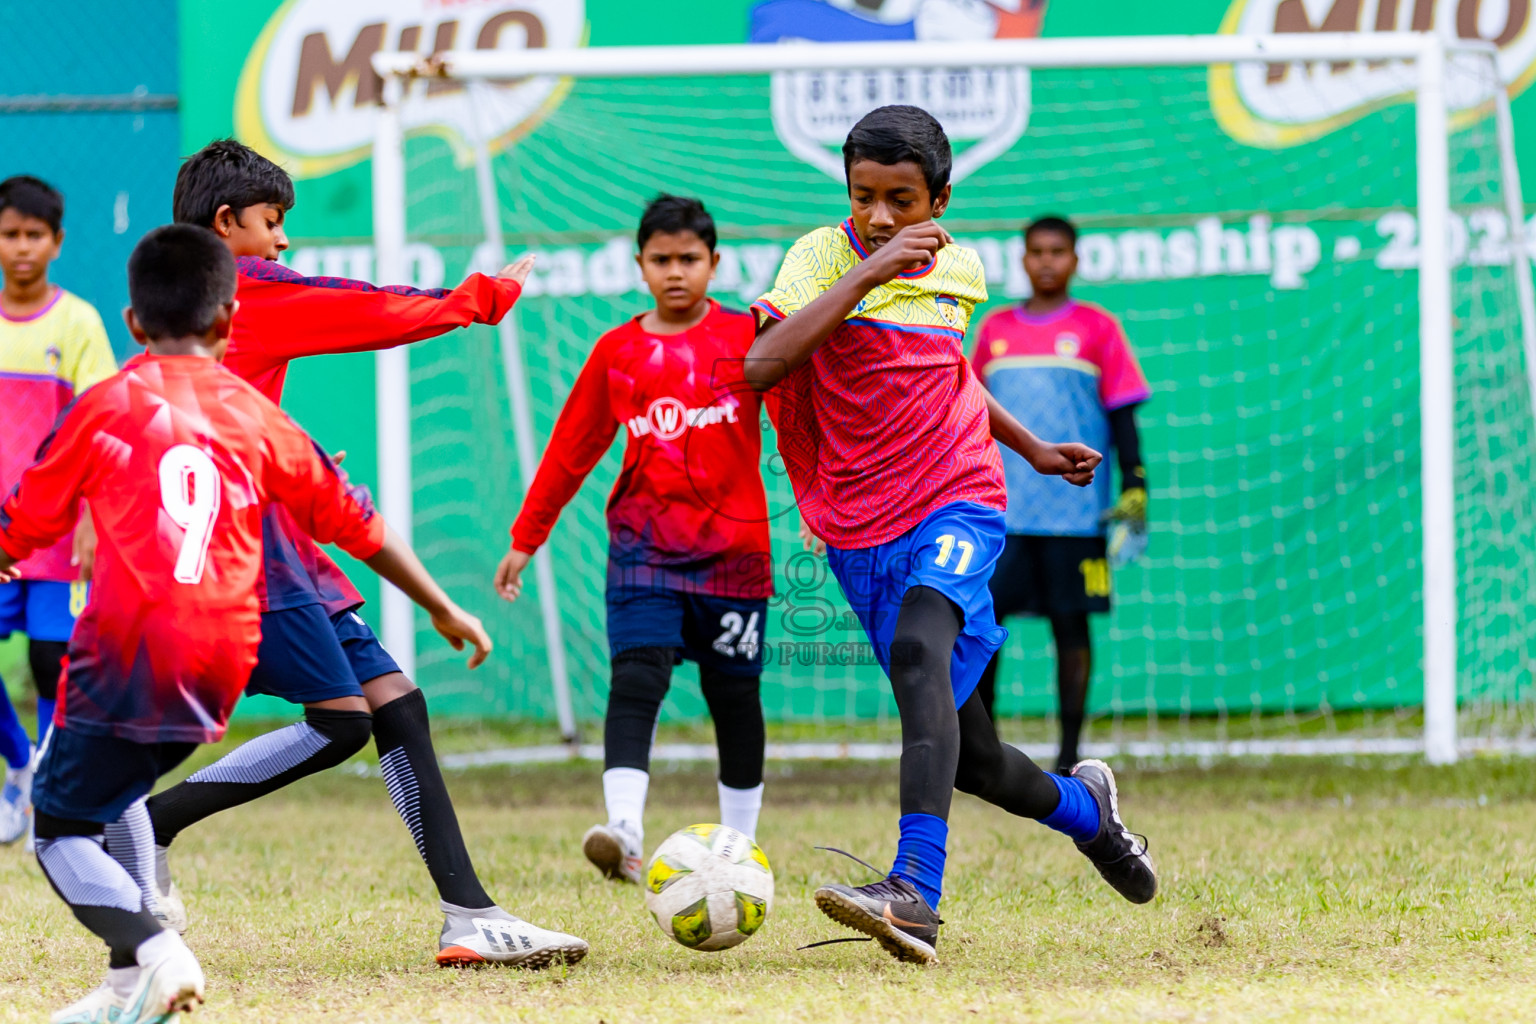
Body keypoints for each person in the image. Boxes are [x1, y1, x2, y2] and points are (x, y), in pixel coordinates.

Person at [145, 139, 586, 968]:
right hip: (246, 548)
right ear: (225, 223)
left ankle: (469, 915)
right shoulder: (245, 290)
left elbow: (220, 418)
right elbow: (369, 308)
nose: (282, 243)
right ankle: (142, 822)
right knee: (343, 721)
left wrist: (297, 465)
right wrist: (480, 299)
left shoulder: (198, 311)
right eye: (272, 223)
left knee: (396, 702)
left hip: (269, 533)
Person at [746, 105, 1157, 964]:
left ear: (941, 197)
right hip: (860, 520)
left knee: (918, 655)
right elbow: (763, 362)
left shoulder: (958, 267)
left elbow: (951, 374)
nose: (883, 216)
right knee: (975, 760)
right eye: (866, 196)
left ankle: (914, 892)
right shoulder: (820, 257)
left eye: (903, 199)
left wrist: (1032, 452)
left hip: (958, 496)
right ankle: (1090, 813)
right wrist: (864, 276)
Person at [2, 224, 415, 1023]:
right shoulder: (253, 413)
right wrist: (443, 607)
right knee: (123, 791)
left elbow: (21, 524)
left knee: (57, 830)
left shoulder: (108, 403)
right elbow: (356, 522)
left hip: (128, 644)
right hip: (225, 655)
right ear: (230, 318)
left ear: (130, 323)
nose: (286, 238)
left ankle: (155, 949)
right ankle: (125, 989)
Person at [494, 195, 772, 884]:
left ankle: (739, 849)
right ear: (640, 265)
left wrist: (826, 515)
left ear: (714, 263)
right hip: (644, 555)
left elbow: (801, 430)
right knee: (637, 679)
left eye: (689, 259)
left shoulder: (750, 340)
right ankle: (623, 831)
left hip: (736, 559)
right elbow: (570, 450)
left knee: (734, 697)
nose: (675, 272)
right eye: (661, 260)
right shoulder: (617, 351)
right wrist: (526, 538)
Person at [971, 215, 1150, 771]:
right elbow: (970, 413)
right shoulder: (994, 329)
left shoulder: (1099, 329)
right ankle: (984, 750)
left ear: (1075, 260)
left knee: (1071, 628)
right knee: (985, 628)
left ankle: (1070, 755)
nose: (1047, 261)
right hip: (1003, 513)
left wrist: (1135, 486)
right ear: (1022, 259)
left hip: (1077, 511)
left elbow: (1122, 415)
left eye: (1058, 252)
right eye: (1036, 252)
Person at [0, 175, 117, 844]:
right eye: (11, 234)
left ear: (57, 242)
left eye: (34, 235)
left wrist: (91, 517)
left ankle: (49, 791)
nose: (22, 247)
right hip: (0, 537)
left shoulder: (77, 322)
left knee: (53, 662)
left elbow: (99, 428)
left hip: (54, 535)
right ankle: (19, 761)